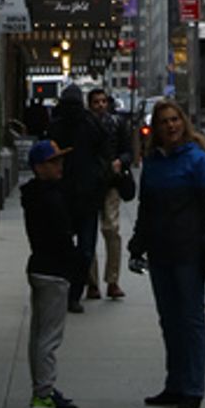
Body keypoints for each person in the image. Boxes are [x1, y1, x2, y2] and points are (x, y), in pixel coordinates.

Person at [129, 98, 205, 408]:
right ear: (155, 128)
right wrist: (137, 245)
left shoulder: (198, 161)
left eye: (174, 120)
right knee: (169, 320)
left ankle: (193, 387)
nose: (170, 126)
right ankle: (176, 383)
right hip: (160, 251)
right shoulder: (154, 163)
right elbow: (146, 208)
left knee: (191, 320)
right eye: (164, 121)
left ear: (183, 122)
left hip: (188, 251)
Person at [20, 138, 82, 408]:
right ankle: (43, 393)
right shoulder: (50, 198)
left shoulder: (36, 194)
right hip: (54, 271)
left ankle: (42, 388)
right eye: (53, 161)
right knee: (48, 336)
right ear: (38, 167)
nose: (60, 165)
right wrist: (73, 263)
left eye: (60, 160)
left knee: (40, 334)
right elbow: (62, 236)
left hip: (41, 268)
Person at [50, 82, 111, 311]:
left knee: (84, 249)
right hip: (68, 196)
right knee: (77, 248)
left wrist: (99, 175)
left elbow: (104, 150)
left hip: (83, 196)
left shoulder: (90, 125)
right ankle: (71, 292)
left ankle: (72, 293)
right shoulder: (59, 126)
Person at [86, 87, 135, 299]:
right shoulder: (84, 126)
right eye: (96, 102)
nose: (100, 105)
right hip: (89, 186)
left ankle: (112, 280)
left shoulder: (117, 124)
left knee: (111, 229)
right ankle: (92, 282)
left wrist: (120, 162)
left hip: (111, 184)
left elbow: (129, 152)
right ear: (90, 104)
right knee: (88, 236)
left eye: (103, 101)